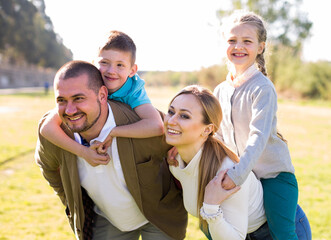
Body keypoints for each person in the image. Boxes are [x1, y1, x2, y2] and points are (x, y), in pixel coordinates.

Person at [35, 60, 187, 240]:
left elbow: (184, 136)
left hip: (159, 218)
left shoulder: (139, 123)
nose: (70, 110)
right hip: (107, 220)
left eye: (78, 98)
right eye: (61, 100)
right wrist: (71, 200)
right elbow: (48, 166)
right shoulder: (56, 136)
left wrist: (182, 146)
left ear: (102, 94)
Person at [165, 85, 311, 240]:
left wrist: (211, 206)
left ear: (207, 129)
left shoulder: (227, 172)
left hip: (275, 232)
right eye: (171, 112)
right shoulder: (176, 162)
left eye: (184, 116)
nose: (171, 121)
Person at [213, 10, 307, 239]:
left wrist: (237, 175)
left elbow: (258, 137)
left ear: (260, 47)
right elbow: (216, 137)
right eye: (232, 40)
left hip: (273, 176)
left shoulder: (263, 88)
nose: (239, 46)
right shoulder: (220, 91)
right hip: (239, 175)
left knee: (283, 234)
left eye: (247, 41)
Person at [40, 30, 164, 166]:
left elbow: (156, 125)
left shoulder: (133, 90)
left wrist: (113, 132)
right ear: (94, 63)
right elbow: (47, 128)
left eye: (120, 65)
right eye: (105, 62)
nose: (111, 70)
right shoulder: (90, 83)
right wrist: (83, 152)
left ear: (132, 70)